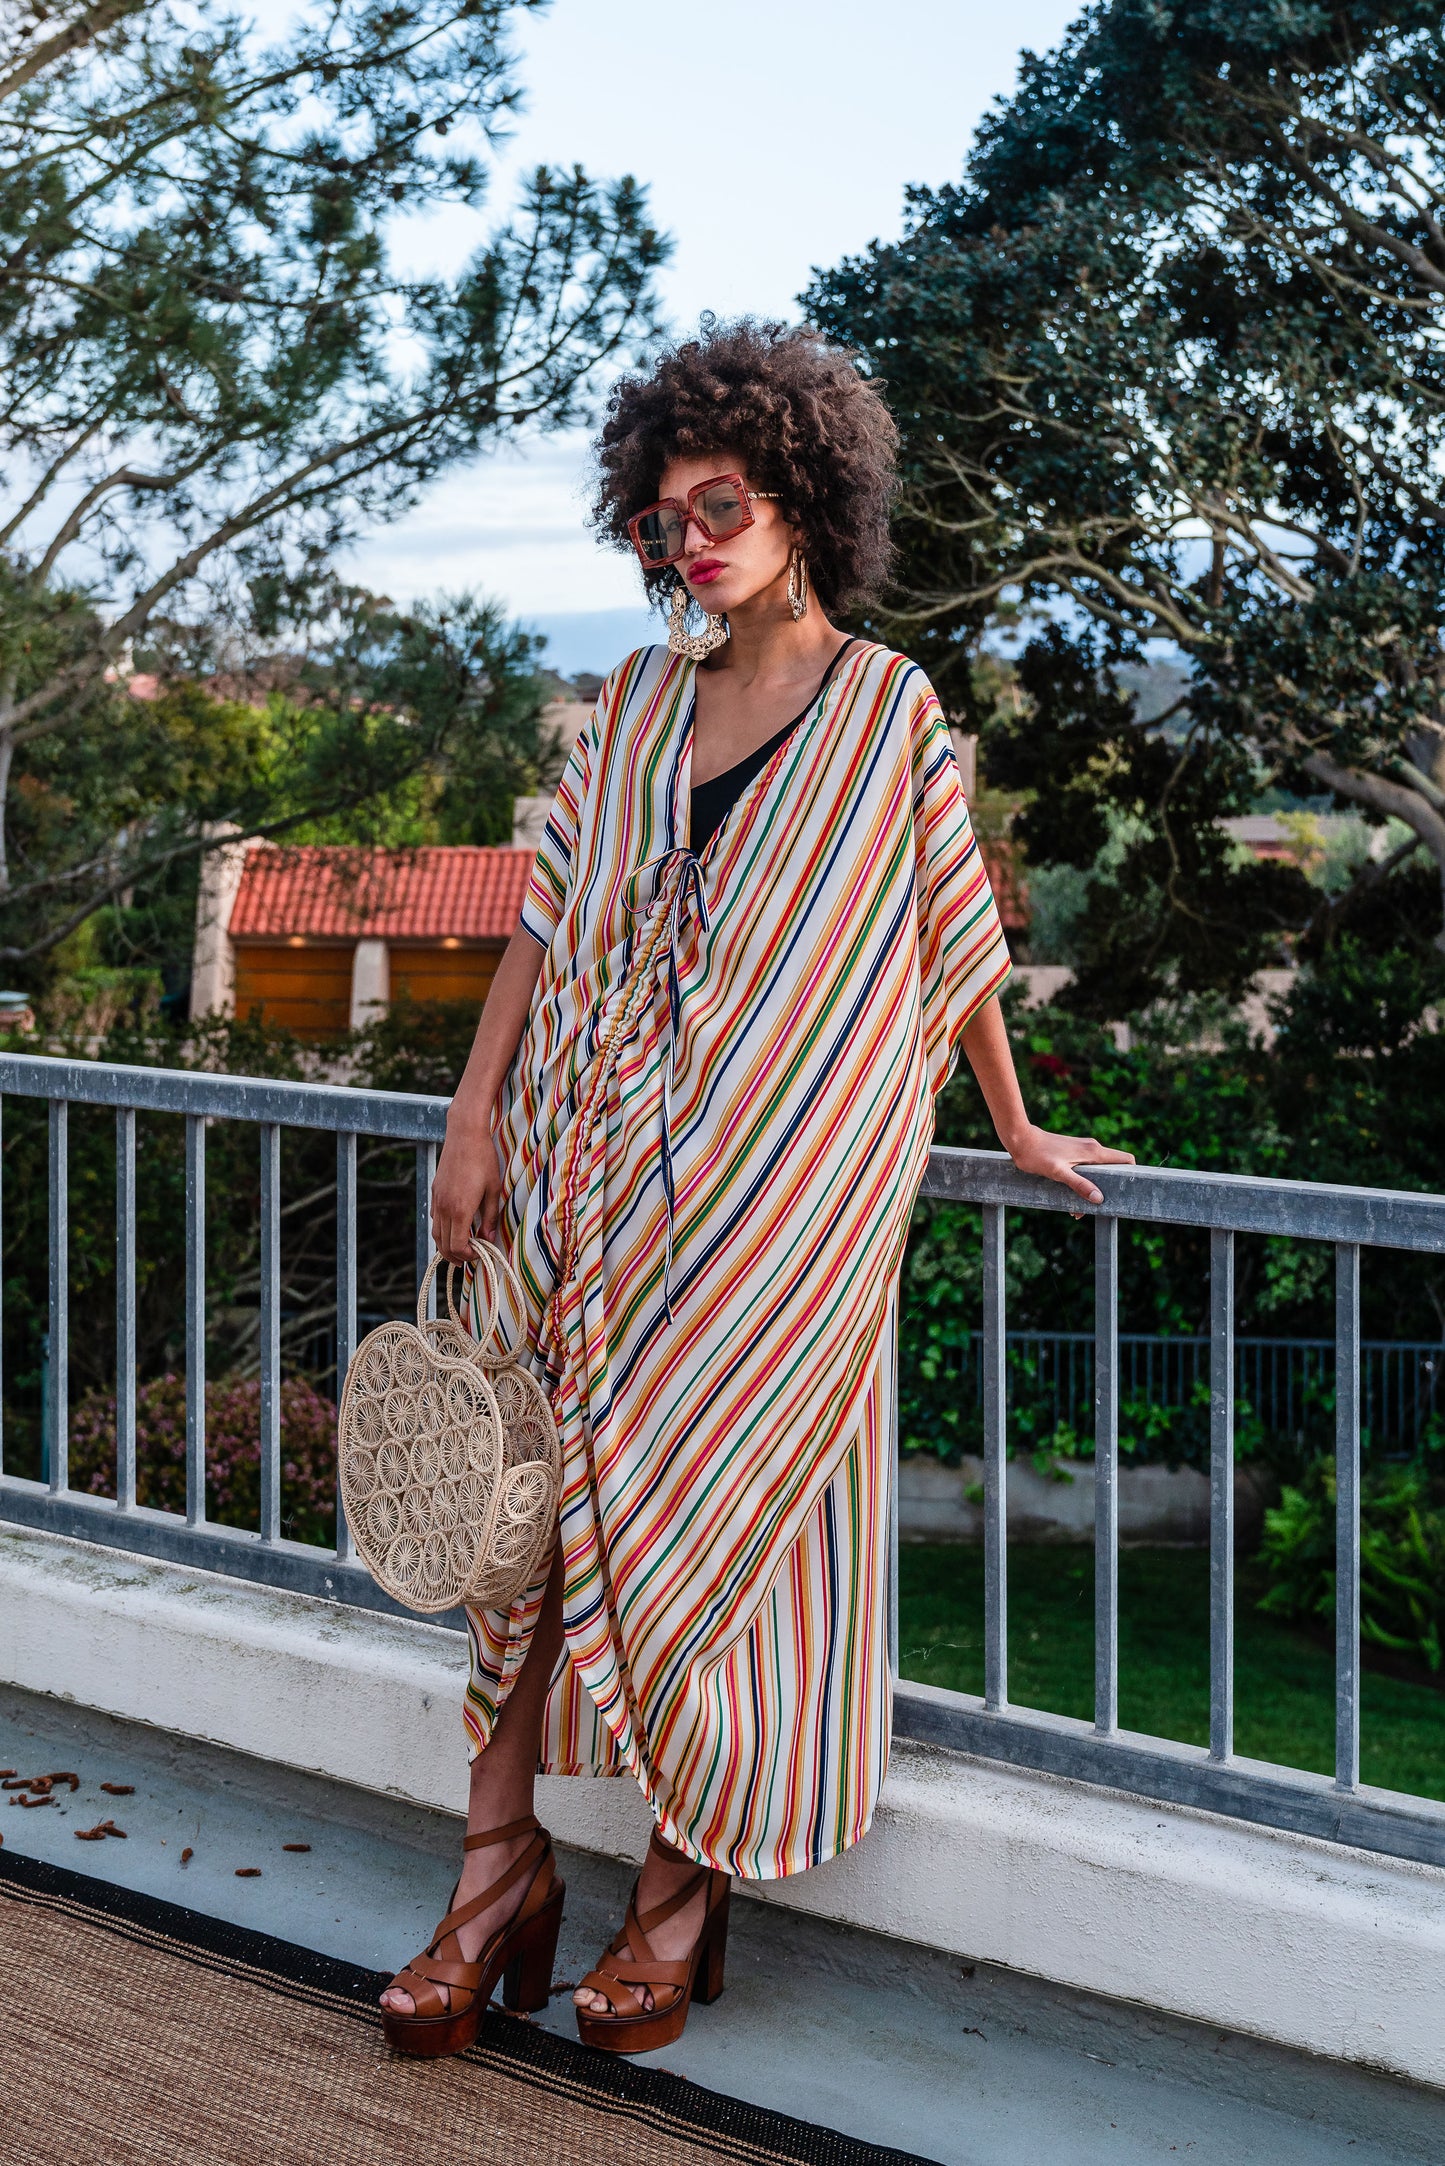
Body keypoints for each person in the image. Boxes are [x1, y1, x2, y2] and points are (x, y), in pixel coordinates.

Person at [379, 319, 1131, 2058]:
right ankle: (494, 1875)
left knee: (710, 1524)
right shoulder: (636, 701)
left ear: (803, 496)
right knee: (526, 1540)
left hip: (770, 1209)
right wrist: (473, 1114)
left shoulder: (884, 710)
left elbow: (953, 950)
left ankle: (674, 1889)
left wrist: (1014, 1128)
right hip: (572, 1183)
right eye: (661, 516)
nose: (691, 539)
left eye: (720, 502)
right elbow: (543, 920)